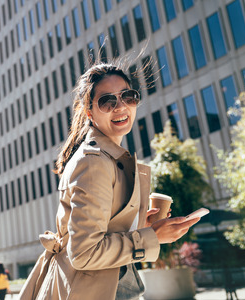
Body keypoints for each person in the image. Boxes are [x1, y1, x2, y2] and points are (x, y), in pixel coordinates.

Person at [19, 59, 202, 300]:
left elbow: (99, 231)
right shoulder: (94, 162)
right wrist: (152, 237)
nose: (120, 107)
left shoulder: (104, 157)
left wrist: (138, 225)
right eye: (107, 101)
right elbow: (85, 252)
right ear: (89, 112)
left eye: (128, 96)